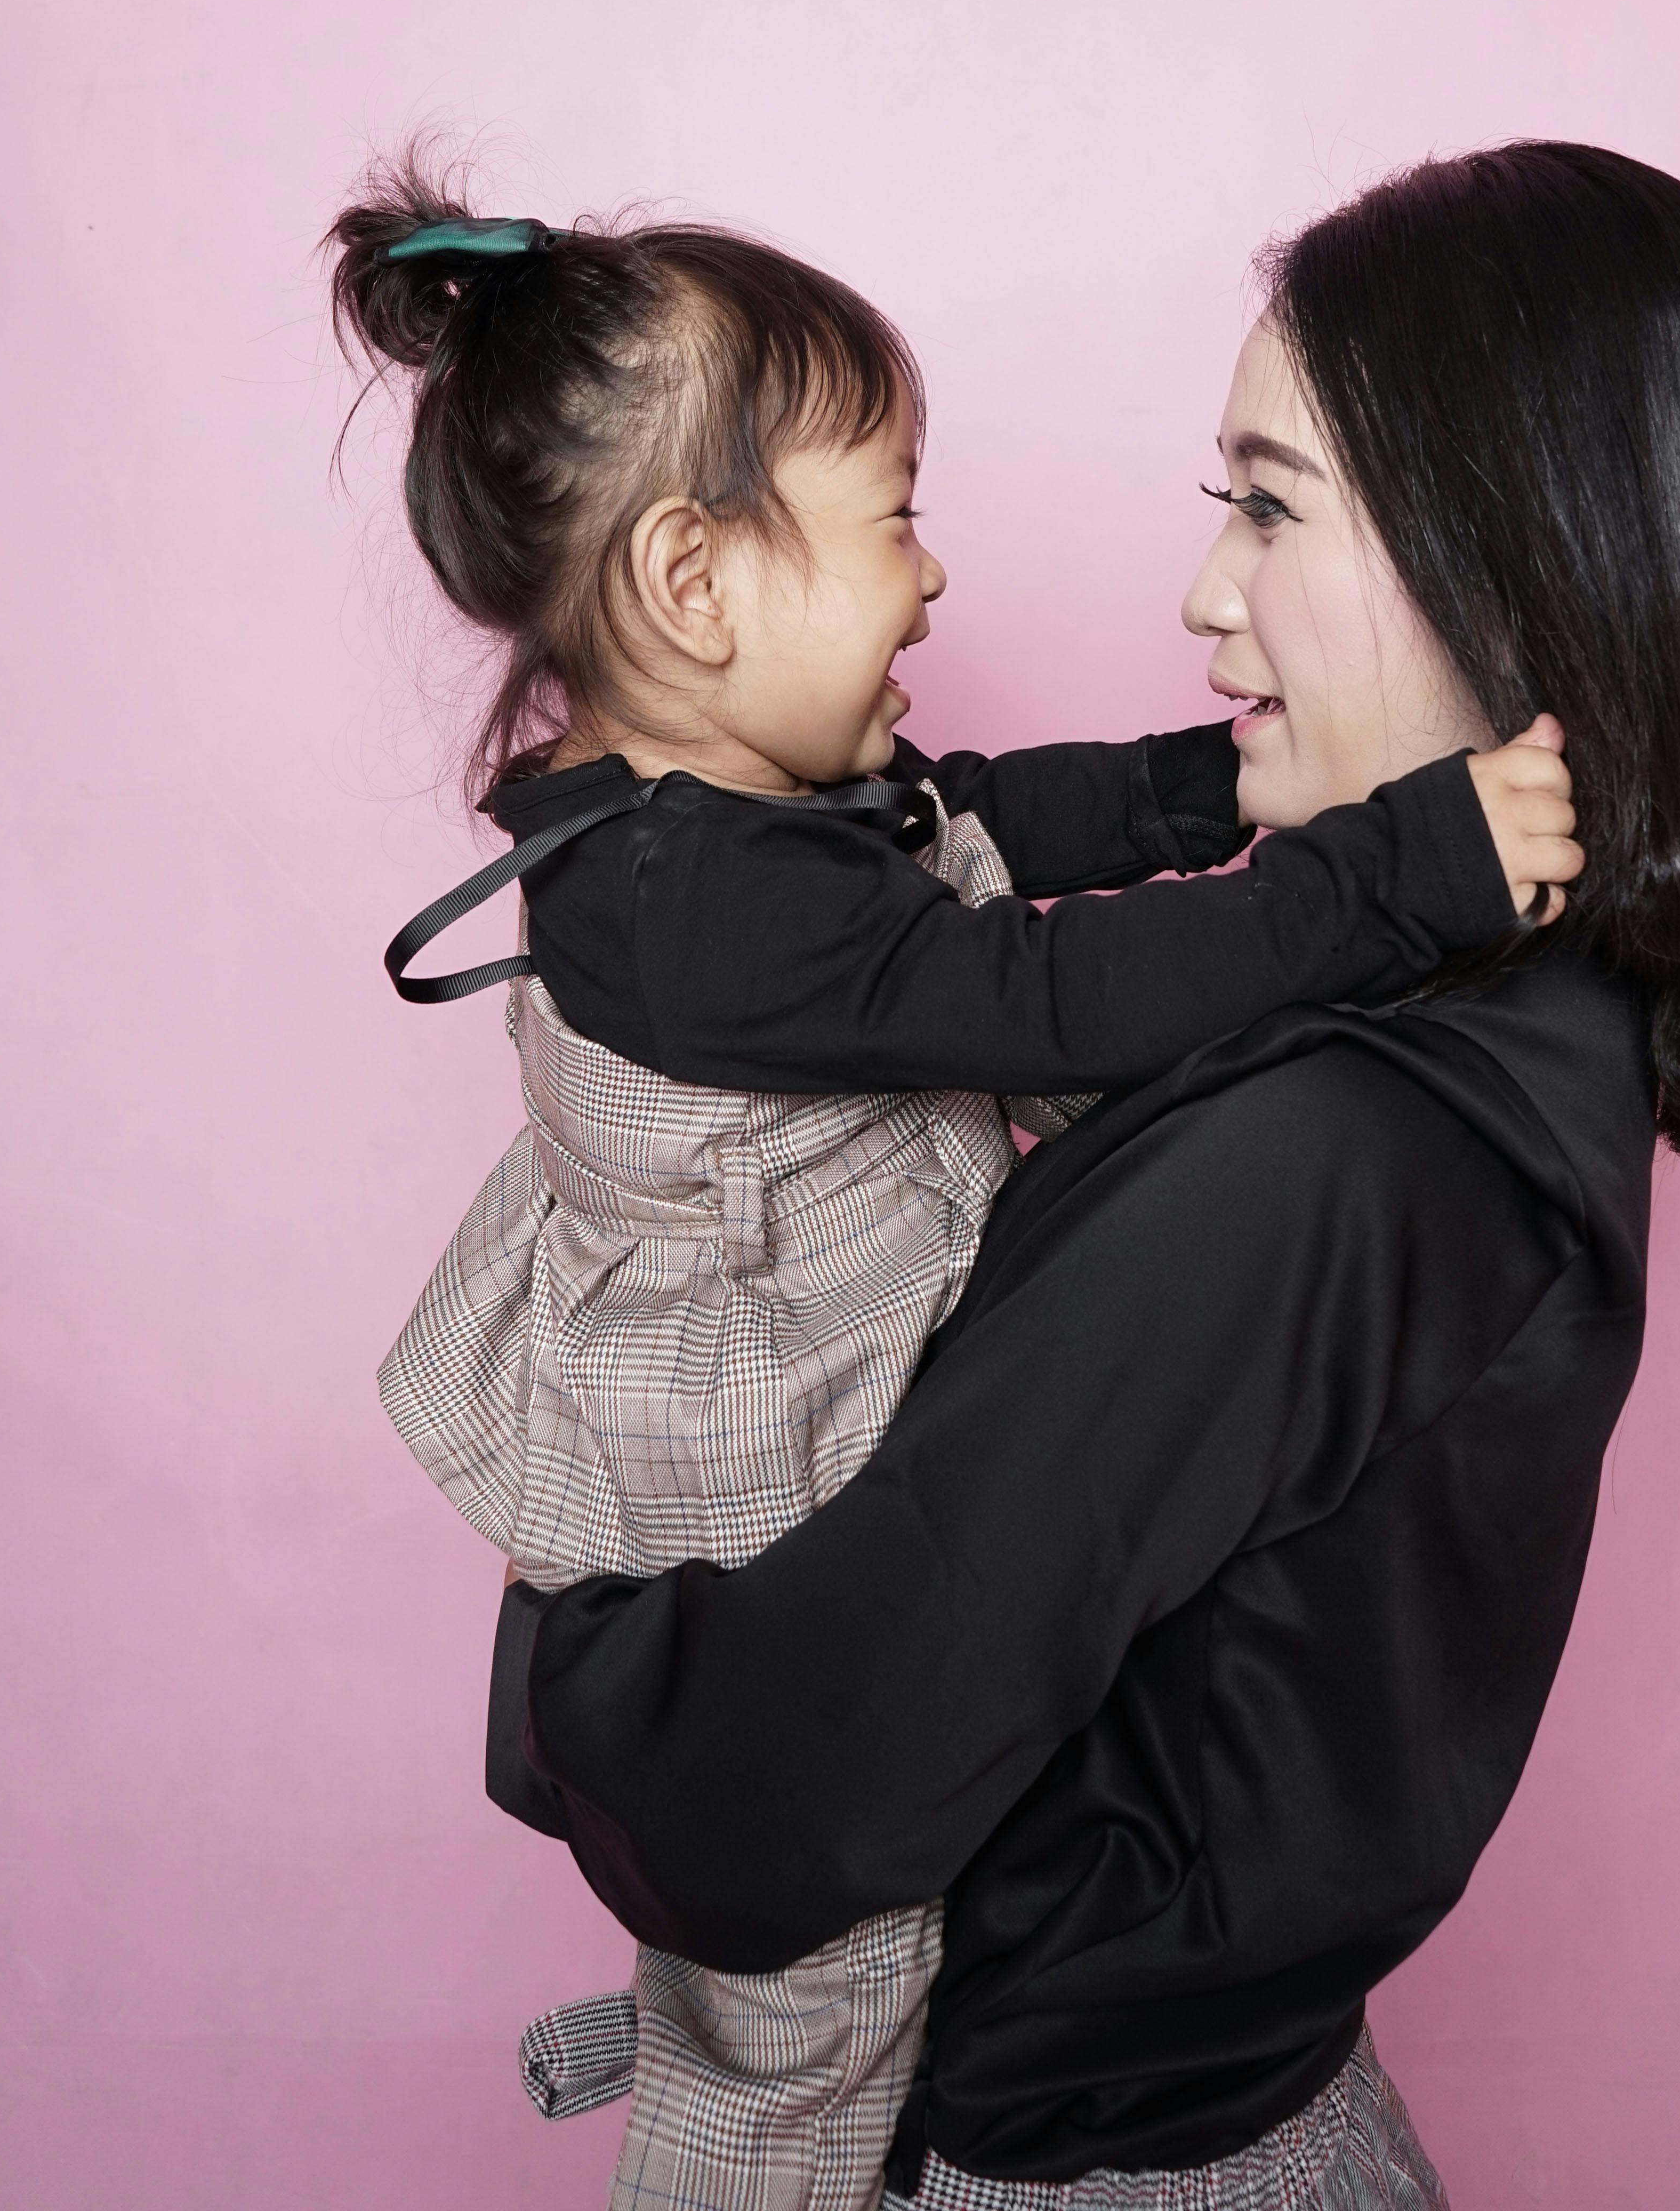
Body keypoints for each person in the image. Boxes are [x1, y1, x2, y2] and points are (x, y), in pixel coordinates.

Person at [507, 141, 1680, 2211]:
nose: (1201, 593)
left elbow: (762, 1813)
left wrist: (562, 1626)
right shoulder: (1495, 1041)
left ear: (1513, 553)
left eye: (1268, 505)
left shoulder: (1327, 1154)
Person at [327, 155, 1582, 2211]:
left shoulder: (741, 817)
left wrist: (1206, 788)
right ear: (695, 585)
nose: (930, 580)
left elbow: (976, 821)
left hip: (837, 1352)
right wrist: (1393, 865)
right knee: (822, 1972)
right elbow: (1032, 989)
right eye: (893, 516)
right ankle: (742, 2110)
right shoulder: (683, 905)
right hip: (745, 1438)